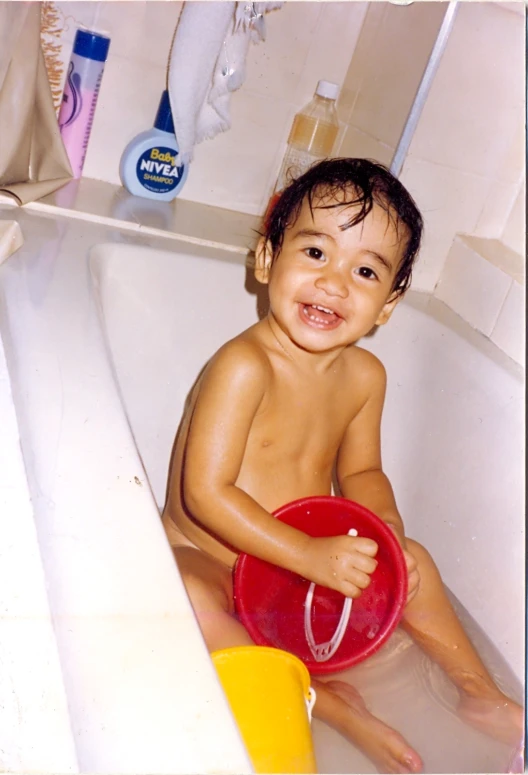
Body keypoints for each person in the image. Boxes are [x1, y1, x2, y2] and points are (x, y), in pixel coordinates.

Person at [162, 158, 523, 773]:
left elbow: (361, 474)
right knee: (187, 601)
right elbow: (205, 494)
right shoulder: (243, 366)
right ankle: (330, 705)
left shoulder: (364, 376)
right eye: (315, 253)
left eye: (364, 271)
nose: (334, 284)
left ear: (387, 305)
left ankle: (481, 694)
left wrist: (384, 531)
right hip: (215, 556)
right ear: (267, 260)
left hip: (301, 567)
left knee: (416, 566)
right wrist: (306, 555)